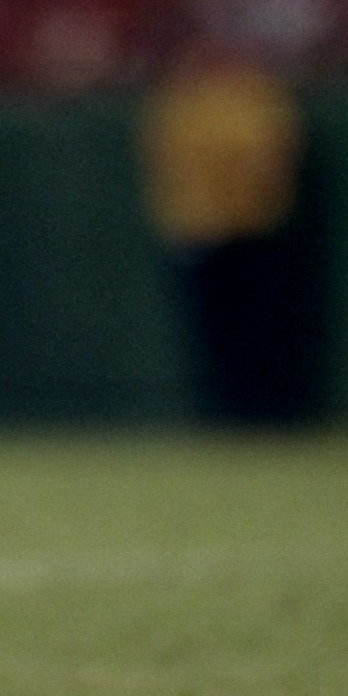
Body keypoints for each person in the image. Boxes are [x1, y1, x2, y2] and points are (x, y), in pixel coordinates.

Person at [139, 46, 307, 423]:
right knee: (215, 331)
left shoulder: (256, 95)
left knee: (264, 327)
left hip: (256, 227)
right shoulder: (180, 102)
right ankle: (225, 413)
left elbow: (277, 155)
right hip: (201, 231)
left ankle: (272, 410)